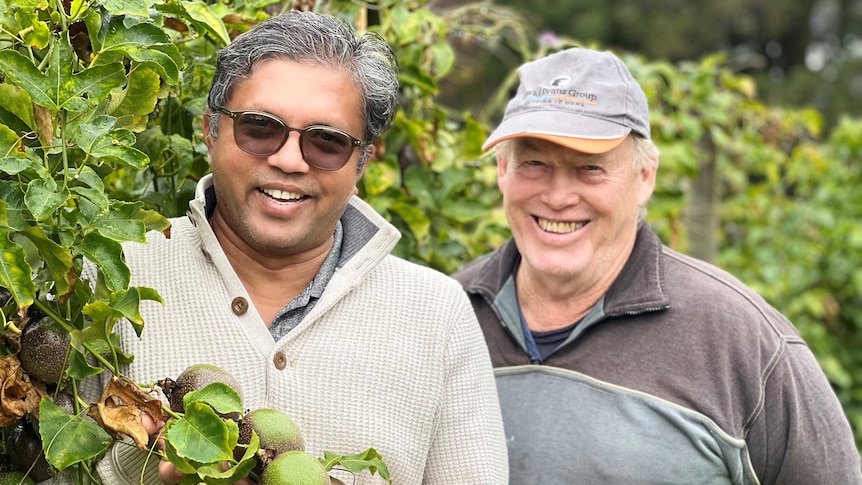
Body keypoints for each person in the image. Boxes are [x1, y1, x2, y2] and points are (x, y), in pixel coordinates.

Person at [69, 10, 508, 485]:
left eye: (327, 142)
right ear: (210, 132)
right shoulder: (108, 273)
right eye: (260, 127)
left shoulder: (436, 313)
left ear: (361, 163)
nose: (289, 159)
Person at [453, 47, 862, 484]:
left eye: (590, 168)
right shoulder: (444, 316)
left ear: (644, 177)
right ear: (502, 169)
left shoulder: (739, 341)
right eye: (534, 163)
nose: (557, 197)